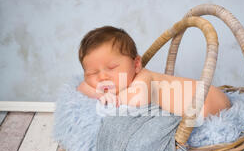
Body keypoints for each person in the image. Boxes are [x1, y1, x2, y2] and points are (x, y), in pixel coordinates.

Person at [76, 26, 231, 119]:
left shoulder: (143, 77)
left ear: (136, 64)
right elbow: (82, 87)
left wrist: (114, 98)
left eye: (111, 68)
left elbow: (138, 100)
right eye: (93, 73)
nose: (102, 77)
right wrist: (100, 94)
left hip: (209, 100)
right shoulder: (111, 83)